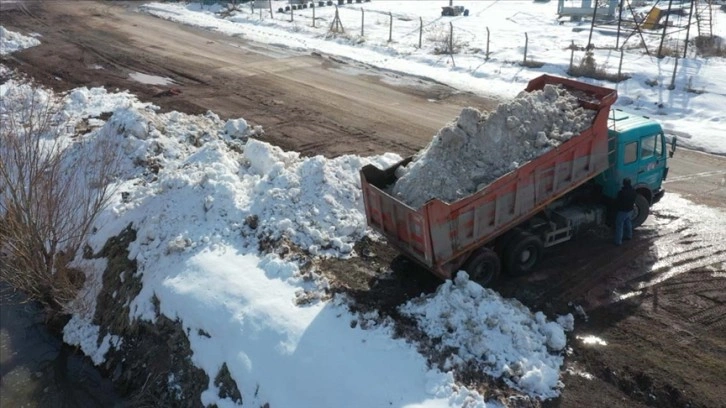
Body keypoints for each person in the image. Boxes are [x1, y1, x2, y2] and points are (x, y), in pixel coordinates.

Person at [614, 178, 636, 246]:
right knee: (628, 222)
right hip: (630, 210)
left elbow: (617, 202)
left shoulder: (621, 192)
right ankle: (629, 236)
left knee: (619, 225)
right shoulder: (633, 191)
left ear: (624, 183)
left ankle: (618, 241)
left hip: (622, 211)